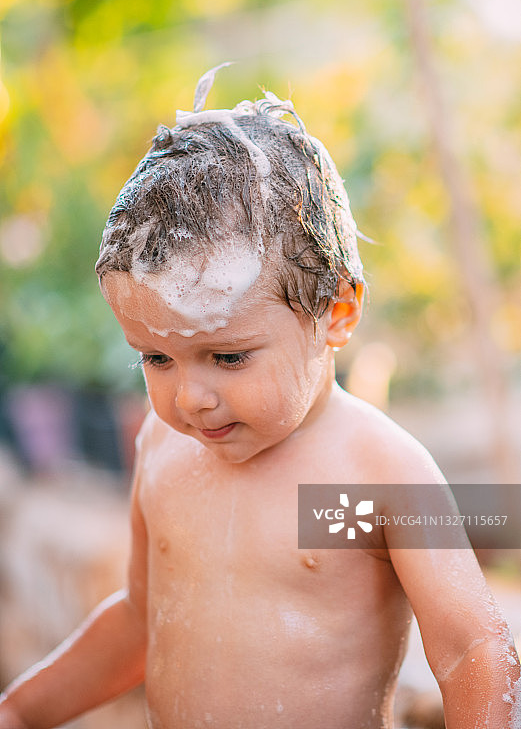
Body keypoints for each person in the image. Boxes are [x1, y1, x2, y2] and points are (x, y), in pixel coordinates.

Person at [0, 67, 519, 729]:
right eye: (156, 358)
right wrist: (21, 709)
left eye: (228, 358)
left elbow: (471, 647)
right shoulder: (164, 447)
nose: (191, 398)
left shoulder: (366, 479)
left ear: (335, 311)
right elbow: (138, 618)